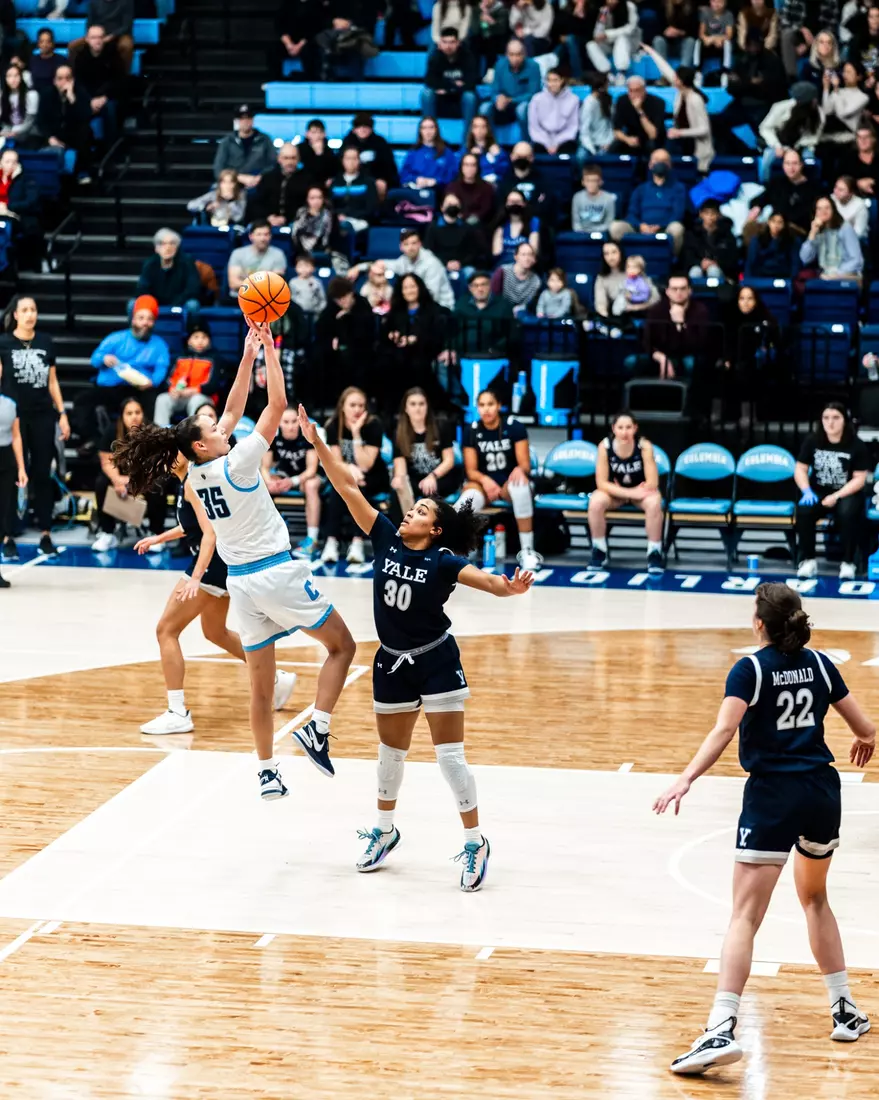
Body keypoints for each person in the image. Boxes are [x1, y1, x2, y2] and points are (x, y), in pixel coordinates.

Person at [112, 321, 357, 799]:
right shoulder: (239, 462)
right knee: (342, 646)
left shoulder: (198, 475)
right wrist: (269, 349)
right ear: (203, 444)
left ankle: (266, 770)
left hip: (242, 586)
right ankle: (317, 727)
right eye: (215, 429)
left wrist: (246, 356)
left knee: (260, 687)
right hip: (275, 572)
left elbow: (231, 410)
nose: (225, 426)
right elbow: (276, 406)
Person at [298, 402, 534, 890]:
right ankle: (384, 833)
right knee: (390, 759)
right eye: (413, 507)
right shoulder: (385, 537)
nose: (411, 511)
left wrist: (507, 588)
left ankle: (475, 842)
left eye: (422, 510)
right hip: (391, 664)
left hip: (436, 661)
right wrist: (318, 443)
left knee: (450, 759)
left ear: (436, 528)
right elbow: (346, 487)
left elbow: (484, 580)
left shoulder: (445, 560)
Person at [655, 583, 875, 1076]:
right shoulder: (820, 664)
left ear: (760, 623)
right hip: (821, 792)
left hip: (773, 796)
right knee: (815, 899)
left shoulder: (750, 669)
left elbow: (724, 730)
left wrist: (685, 778)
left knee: (745, 917)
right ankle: (843, 1009)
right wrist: (865, 739)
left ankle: (719, 1026)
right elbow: (866, 726)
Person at [133, 420, 297, 735]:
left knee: (166, 630)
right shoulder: (187, 483)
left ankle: (177, 711)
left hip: (211, 565)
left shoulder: (193, 482)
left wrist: (195, 578)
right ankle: (277, 680)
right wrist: (158, 539)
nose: (170, 457)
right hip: (220, 566)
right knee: (214, 632)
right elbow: (191, 527)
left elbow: (209, 535)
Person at [0, 296, 67, 557]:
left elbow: (53, 382)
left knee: (42, 474)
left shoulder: (45, 342)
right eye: (25, 310)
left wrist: (61, 413)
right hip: (12, 418)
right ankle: (7, 536)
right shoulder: (3, 343)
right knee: (10, 476)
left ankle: (46, 534)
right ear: (15, 315)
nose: (30, 314)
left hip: (42, 415)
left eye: (33, 310)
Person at [456, 389, 541, 571]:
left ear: (499, 406)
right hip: (482, 484)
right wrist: (486, 481)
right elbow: (471, 471)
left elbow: (525, 464)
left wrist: (520, 469)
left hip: (507, 484)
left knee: (520, 487)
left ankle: (527, 550)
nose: (486, 409)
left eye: (490, 404)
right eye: (482, 405)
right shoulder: (471, 430)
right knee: (465, 501)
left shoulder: (514, 426)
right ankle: (458, 550)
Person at [795, 402, 868, 580]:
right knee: (804, 510)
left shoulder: (856, 445)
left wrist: (836, 496)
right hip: (818, 492)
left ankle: (848, 562)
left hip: (847, 493)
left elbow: (859, 478)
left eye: (836, 418)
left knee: (848, 513)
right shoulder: (812, 440)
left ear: (844, 420)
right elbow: (800, 469)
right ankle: (808, 560)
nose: (831, 422)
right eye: (826, 418)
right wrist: (806, 491)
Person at [319, 386, 391, 565]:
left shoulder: (374, 425)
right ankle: (331, 542)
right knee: (340, 487)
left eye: (361, 405)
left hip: (373, 476)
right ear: (342, 406)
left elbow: (367, 464)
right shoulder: (333, 425)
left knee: (358, 485)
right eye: (352, 405)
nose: (357, 410)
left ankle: (357, 542)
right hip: (348, 473)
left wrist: (357, 433)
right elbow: (335, 462)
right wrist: (350, 469)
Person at [588, 410, 664, 573]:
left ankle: (655, 552)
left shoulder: (644, 446)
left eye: (628, 427)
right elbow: (601, 483)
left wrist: (635, 493)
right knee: (595, 501)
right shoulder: (605, 446)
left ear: (635, 428)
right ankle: (599, 550)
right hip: (617, 493)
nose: (624, 432)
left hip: (641, 493)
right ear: (613, 428)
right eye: (620, 427)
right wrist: (627, 493)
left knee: (654, 501)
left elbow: (652, 482)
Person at [91, 397, 167, 553]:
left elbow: (160, 465)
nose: (134, 416)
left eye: (137, 412)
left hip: (147, 477)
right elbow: (106, 462)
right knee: (101, 483)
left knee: (159, 484)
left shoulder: (154, 431)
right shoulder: (111, 431)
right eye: (129, 413)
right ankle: (108, 533)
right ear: (122, 416)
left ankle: (156, 533)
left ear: (143, 414)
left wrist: (136, 481)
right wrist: (117, 479)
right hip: (122, 475)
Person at [261, 404, 322, 558]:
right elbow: (264, 468)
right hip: (284, 477)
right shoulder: (274, 439)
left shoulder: (306, 437)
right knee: (262, 484)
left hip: (305, 478)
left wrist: (292, 481)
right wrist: (270, 482)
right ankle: (265, 537)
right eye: (286, 422)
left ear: (299, 422)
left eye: (294, 422)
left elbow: (311, 470)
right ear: (280, 424)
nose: (290, 426)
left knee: (311, 485)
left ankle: (312, 540)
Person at [641, 44, 714, 171]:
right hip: (682, 141)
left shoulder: (696, 99)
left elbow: (704, 129)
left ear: (681, 81)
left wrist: (679, 132)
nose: (673, 78)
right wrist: (651, 51)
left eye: (676, 77)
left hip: (695, 145)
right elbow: (665, 69)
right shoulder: (681, 92)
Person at [380, 273, 447, 413]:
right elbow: (385, 335)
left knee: (417, 365)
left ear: (419, 288)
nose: (409, 291)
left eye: (412, 286)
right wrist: (393, 335)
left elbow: (437, 336)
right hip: (398, 356)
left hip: (424, 354)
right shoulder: (396, 311)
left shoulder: (433, 310)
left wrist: (415, 339)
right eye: (405, 287)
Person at [90, 295, 170, 410]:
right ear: (133, 320)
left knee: (154, 400)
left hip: (141, 390)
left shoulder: (159, 345)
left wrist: (153, 382)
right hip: (112, 387)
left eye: (150, 319)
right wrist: (104, 358)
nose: (145, 323)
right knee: (84, 401)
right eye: (141, 318)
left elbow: (161, 368)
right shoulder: (115, 338)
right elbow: (94, 359)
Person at [391, 387, 459, 516]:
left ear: (427, 406)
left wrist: (432, 476)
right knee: (397, 489)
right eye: (413, 404)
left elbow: (449, 460)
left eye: (421, 404)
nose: (418, 408)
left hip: (440, 477)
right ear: (406, 408)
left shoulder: (441, 426)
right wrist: (399, 481)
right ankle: (403, 531)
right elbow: (401, 470)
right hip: (416, 480)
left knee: (431, 492)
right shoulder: (399, 433)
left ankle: (431, 530)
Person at [611, 148, 687, 254]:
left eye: (664, 161)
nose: (660, 163)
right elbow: (632, 213)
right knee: (616, 227)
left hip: (665, 229)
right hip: (641, 229)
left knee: (677, 228)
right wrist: (641, 226)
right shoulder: (640, 189)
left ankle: (672, 263)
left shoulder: (678, 188)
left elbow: (677, 214)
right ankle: (629, 262)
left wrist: (659, 226)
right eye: (656, 160)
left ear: (670, 165)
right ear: (650, 164)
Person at [360, 228, 456, 310]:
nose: (410, 248)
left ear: (420, 244)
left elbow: (432, 295)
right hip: (417, 305)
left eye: (414, 243)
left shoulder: (432, 263)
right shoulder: (404, 260)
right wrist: (358, 267)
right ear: (401, 247)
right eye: (406, 244)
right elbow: (381, 264)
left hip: (441, 307)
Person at [153, 321, 223, 427]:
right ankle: (160, 436)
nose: (200, 341)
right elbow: (167, 380)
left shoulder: (214, 358)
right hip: (179, 396)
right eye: (196, 337)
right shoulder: (180, 357)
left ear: (209, 340)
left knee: (196, 400)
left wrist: (193, 391)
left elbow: (213, 385)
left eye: (204, 337)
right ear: (189, 340)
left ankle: (193, 436)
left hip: (203, 397)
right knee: (162, 399)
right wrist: (172, 389)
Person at [644, 272, 711, 379]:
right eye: (674, 289)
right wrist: (661, 358)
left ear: (690, 290)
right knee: (631, 362)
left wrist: (681, 323)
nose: (678, 292)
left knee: (692, 364)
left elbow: (700, 345)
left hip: (689, 355)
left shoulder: (700, 311)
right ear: (667, 291)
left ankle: (689, 395)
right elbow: (647, 341)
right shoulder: (656, 310)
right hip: (662, 354)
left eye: (683, 288)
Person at [746, 147, 821, 238]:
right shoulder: (777, 183)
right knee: (749, 228)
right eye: (787, 163)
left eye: (794, 163)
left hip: (797, 230)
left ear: (801, 165)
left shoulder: (813, 188)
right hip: (775, 227)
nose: (791, 167)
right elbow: (761, 199)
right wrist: (757, 207)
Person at [36, 64, 93, 181]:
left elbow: (85, 116)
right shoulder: (46, 94)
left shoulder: (81, 92)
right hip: (54, 133)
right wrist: (50, 137)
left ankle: (83, 171)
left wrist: (72, 99)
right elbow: (41, 120)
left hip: (74, 133)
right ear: (54, 81)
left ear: (73, 80)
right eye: (60, 78)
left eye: (68, 78)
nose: (64, 82)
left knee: (85, 131)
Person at [758, 82, 824, 181]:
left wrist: (795, 149)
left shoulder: (819, 114)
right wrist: (777, 146)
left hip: (802, 146)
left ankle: (808, 185)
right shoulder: (780, 107)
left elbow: (813, 138)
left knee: (810, 159)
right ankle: (765, 186)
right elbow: (765, 128)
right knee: (766, 160)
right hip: (779, 143)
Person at [477, 38, 541, 134]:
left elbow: (533, 94)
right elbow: (494, 90)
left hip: (523, 103)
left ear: (524, 54)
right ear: (506, 54)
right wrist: (497, 98)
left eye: (518, 54)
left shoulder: (533, 66)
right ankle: (491, 144)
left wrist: (511, 100)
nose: (515, 59)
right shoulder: (499, 65)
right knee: (484, 108)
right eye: (511, 54)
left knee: (521, 109)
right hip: (504, 104)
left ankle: (526, 144)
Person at [72, 23, 123, 143]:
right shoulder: (80, 58)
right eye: (94, 38)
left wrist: (104, 97)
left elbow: (118, 81)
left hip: (108, 97)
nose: (98, 41)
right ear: (87, 40)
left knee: (110, 108)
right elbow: (79, 83)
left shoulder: (113, 55)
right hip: (88, 98)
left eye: (101, 37)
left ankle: (110, 149)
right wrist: (90, 99)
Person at [422, 26, 478, 132]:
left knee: (470, 97)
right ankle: (428, 139)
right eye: (445, 42)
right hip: (441, 102)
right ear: (440, 44)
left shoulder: (468, 56)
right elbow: (429, 80)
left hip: (460, 101)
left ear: (458, 43)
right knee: (426, 94)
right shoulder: (435, 57)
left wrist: (446, 87)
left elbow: (471, 82)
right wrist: (454, 85)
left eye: (452, 42)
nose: (448, 46)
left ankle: (467, 143)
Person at [0, 359, 27, 574]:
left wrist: (21, 467)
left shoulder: (9, 402)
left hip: (6, 460)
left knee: (2, 513)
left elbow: (16, 436)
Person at [136, 229, 201, 313]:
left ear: (177, 247)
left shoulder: (187, 262)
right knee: (133, 304)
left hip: (180, 303)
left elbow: (192, 289)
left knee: (193, 305)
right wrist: (152, 303)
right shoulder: (150, 264)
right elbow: (142, 289)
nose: (168, 247)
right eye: (163, 244)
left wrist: (175, 304)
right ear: (156, 248)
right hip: (154, 303)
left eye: (172, 243)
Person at [248, 143, 312, 228]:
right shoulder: (267, 178)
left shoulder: (307, 180)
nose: (290, 162)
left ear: (298, 159)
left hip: (298, 225)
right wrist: (269, 217)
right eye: (286, 158)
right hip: (267, 225)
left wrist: (288, 219)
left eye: (293, 158)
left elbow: (308, 206)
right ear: (279, 159)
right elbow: (257, 203)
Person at [212, 105, 276, 189]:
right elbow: (218, 169)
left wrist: (260, 177)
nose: (245, 121)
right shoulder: (227, 141)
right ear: (236, 121)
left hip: (258, 183)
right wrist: (238, 177)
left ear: (253, 120)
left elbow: (273, 164)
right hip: (232, 183)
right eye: (242, 118)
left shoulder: (265, 140)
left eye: (248, 118)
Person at [799, 195, 864, 279]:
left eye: (827, 208)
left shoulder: (845, 228)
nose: (823, 211)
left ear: (833, 210)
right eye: (819, 209)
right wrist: (812, 233)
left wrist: (836, 274)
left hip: (846, 275)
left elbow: (856, 260)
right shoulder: (818, 230)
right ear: (815, 212)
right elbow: (805, 258)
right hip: (826, 275)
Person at [340, 112, 400, 201]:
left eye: (366, 127)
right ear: (354, 129)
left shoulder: (380, 142)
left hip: (375, 178)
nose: (363, 130)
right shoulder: (347, 142)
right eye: (359, 127)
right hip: (351, 177)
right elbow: (340, 164)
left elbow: (388, 166)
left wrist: (382, 179)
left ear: (371, 128)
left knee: (380, 185)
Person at [454, 269, 516, 355]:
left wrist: (496, 350)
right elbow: (452, 331)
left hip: (493, 354)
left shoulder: (504, 306)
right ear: (470, 288)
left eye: (484, 284)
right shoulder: (461, 305)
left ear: (490, 285)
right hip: (463, 353)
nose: (480, 289)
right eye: (475, 285)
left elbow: (511, 334)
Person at [496, 141, 556, 224]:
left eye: (525, 156)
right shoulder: (504, 181)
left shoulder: (543, 181)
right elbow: (500, 207)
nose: (521, 159)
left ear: (532, 158)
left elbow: (545, 208)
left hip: (536, 225)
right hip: (509, 224)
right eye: (518, 156)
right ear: (512, 156)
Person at [424, 192, 485, 273]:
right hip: (439, 265)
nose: (452, 206)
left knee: (471, 272)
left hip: (462, 266)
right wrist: (445, 263)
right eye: (449, 204)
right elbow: (429, 251)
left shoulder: (467, 228)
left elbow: (472, 252)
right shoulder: (433, 227)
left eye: (455, 204)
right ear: (442, 207)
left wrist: (460, 263)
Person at [227, 221, 289, 297]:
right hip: (240, 296)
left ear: (270, 236)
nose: (262, 238)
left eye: (266, 234)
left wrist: (249, 285)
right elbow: (233, 284)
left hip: (268, 298)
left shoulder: (278, 254)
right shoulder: (238, 253)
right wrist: (259, 286)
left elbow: (276, 284)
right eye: (259, 234)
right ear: (251, 236)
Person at [681, 199, 738, 280]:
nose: (710, 217)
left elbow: (731, 258)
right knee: (695, 271)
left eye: (713, 213)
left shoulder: (727, 234)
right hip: (697, 267)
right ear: (701, 214)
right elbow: (686, 256)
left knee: (713, 270)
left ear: (718, 215)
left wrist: (716, 263)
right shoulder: (692, 233)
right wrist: (700, 263)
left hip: (720, 270)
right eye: (707, 213)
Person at [527, 69, 579, 155]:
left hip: (564, 141)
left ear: (562, 80)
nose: (552, 84)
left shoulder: (573, 100)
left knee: (570, 149)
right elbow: (534, 127)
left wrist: (557, 143)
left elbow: (572, 127)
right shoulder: (536, 99)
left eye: (555, 80)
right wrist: (547, 143)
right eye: (549, 80)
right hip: (541, 141)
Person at [611, 75, 667, 157]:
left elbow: (653, 135)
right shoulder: (622, 101)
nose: (634, 94)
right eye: (631, 91)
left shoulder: (658, 103)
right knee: (614, 147)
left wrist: (639, 110)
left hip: (652, 139)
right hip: (631, 137)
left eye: (637, 90)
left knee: (650, 145)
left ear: (644, 90)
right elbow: (616, 130)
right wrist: (627, 139)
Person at [330, 147, 380, 236]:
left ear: (359, 161)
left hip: (360, 221)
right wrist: (337, 216)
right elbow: (330, 206)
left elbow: (371, 208)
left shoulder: (368, 182)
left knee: (345, 227)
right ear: (342, 160)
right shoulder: (335, 182)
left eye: (354, 158)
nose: (351, 162)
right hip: (337, 220)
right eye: (348, 158)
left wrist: (347, 216)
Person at [586, 0, 641, 76]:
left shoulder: (629, 6)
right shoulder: (602, 9)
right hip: (609, 43)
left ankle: (621, 73)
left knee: (621, 39)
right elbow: (597, 34)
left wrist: (608, 34)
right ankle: (607, 74)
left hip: (629, 43)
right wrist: (603, 15)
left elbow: (631, 28)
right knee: (591, 45)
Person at [400, 116, 458, 189]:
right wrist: (416, 179)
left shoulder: (446, 152)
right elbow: (403, 175)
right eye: (424, 128)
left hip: (438, 191)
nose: (428, 131)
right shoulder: (413, 152)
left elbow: (453, 176)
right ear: (420, 131)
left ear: (436, 130)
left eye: (431, 127)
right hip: (416, 190)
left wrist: (436, 181)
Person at [491, 188, 540, 264]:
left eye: (517, 202)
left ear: (524, 204)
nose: (514, 204)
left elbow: (534, 250)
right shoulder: (500, 223)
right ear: (506, 204)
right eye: (511, 202)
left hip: (526, 263)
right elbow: (496, 253)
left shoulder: (533, 222)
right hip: (504, 264)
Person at [745, 211, 801, 277]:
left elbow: (795, 263)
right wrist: (748, 281)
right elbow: (751, 262)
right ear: (768, 222)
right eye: (773, 221)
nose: (776, 225)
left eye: (780, 222)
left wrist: (792, 281)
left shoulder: (792, 241)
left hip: (783, 276)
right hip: (761, 276)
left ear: (785, 224)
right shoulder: (757, 240)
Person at [490, 241, 541, 313]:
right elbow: (494, 298)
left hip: (523, 314)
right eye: (523, 255)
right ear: (515, 257)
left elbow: (530, 305)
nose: (527, 258)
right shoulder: (502, 272)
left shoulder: (536, 281)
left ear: (534, 259)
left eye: (530, 255)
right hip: (501, 312)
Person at [458, 116, 510, 185]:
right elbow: (459, 171)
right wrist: (471, 156)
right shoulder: (465, 151)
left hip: (493, 185)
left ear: (488, 129)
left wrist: (498, 156)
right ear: (472, 130)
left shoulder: (497, 150)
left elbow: (505, 171)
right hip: (472, 185)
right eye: (476, 127)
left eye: (483, 127)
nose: (479, 130)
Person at [446, 152, 496, 224]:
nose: (469, 168)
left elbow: (486, 210)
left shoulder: (487, 188)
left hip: (479, 225)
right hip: (457, 224)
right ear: (461, 167)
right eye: (466, 165)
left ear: (477, 167)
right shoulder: (452, 187)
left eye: (473, 165)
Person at [292, 184, 338, 256]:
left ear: (323, 199)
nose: (316, 201)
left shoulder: (330, 215)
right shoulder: (301, 213)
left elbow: (333, 238)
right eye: (312, 198)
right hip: (300, 253)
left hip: (323, 253)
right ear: (307, 199)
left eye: (319, 197)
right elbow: (295, 234)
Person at [571, 163, 617, 234]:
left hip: (602, 235)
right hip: (582, 235)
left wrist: (594, 233)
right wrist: (583, 233)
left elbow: (609, 224)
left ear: (600, 182)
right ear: (583, 182)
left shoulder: (609, 198)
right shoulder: (577, 197)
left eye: (594, 180)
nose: (591, 184)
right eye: (588, 181)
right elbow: (576, 223)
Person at [578, 73, 615, 159]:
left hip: (607, 143)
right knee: (581, 157)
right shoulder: (588, 103)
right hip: (590, 144)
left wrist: (609, 143)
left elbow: (612, 127)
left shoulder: (609, 100)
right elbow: (584, 132)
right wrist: (593, 150)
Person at [0, 63, 38, 141]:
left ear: (21, 77)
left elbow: (29, 121)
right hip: (8, 131)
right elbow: (4, 119)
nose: (13, 79)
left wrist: (12, 131)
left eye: (16, 75)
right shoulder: (2, 95)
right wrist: (5, 132)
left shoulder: (31, 95)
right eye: (9, 76)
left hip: (27, 133)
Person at [653, 0, 698, 67]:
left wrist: (679, 32)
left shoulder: (691, 7)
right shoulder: (662, 6)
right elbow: (656, 30)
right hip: (667, 44)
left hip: (682, 45)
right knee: (658, 40)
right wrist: (665, 32)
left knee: (690, 41)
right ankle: (664, 72)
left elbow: (694, 32)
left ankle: (683, 72)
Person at [296, 119, 340, 187]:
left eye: (320, 132)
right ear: (307, 134)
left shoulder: (329, 152)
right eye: (314, 132)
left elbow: (333, 171)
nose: (317, 136)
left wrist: (319, 154)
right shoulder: (299, 150)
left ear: (324, 134)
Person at [839, 123, 879, 196]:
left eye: (866, 137)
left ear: (874, 139)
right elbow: (840, 180)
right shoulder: (847, 159)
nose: (863, 140)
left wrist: (874, 182)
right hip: (854, 199)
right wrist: (857, 183)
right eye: (859, 137)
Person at [695, 0, 734, 74]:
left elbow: (729, 35)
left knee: (727, 44)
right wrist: (708, 39)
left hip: (721, 44)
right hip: (707, 43)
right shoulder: (705, 13)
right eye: (714, 1)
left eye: (720, 2)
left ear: (725, 3)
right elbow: (701, 33)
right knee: (698, 42)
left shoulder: (728, 15)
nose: (717, 4)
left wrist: (715, 39)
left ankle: (725, 72)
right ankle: (698, 71)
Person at [288, 252, 327, 316]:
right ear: (296, 268)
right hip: (299, 314)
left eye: (307, 266)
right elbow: (291, 299)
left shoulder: (317, 282)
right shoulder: (293, 282)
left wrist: (319, 310)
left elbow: (322, 299)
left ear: (313, 268)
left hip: (315, 313)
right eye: (300, 266)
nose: (303, 269)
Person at [30, 28, 65, 92]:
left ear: (52, 43)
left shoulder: (61, 60)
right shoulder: (33, 60)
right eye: (41, 41)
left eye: (48, 41)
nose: (44, 45)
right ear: (38, 43)